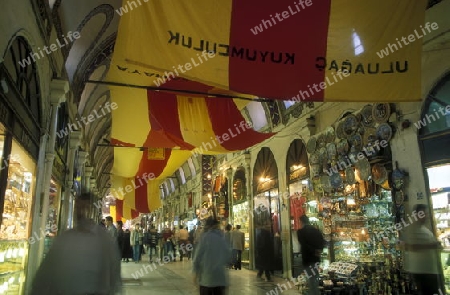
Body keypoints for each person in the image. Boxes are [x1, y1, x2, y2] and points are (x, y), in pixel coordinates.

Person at [30, 197, 121, 295]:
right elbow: (45, 272)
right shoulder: (66, 237)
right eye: (79, 208)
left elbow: (114, 272)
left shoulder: (104, 239)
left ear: (94, 211)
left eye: (86, 208)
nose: (82, 212)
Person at [402, 204, 445, 295]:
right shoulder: (411, 229)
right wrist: (431, 246)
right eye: (423, 213)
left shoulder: (423, 229)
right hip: (423, 273)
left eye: (426, 213)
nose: (426, 216)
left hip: (430, 271)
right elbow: (409, 246)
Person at [192, 216, 230, 295]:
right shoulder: (222, 237)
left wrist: (195, 273)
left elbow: (197, 257)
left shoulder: (204, 237)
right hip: (221, 279)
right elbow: (228, 255)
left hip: (206, 279)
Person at [297, 215, 326, 295]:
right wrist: (318, 250)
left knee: (310, 280)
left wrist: (313, 251)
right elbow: (323, 242)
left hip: (307, 258)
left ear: (301, 222)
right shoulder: (316, 231)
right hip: (316, 258)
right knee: (314, 279)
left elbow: (304, 245)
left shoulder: (300, 232)